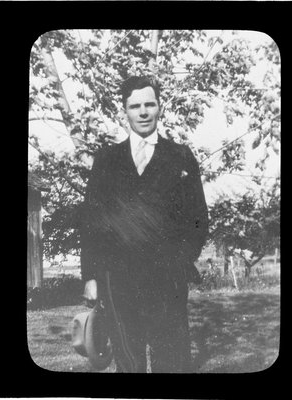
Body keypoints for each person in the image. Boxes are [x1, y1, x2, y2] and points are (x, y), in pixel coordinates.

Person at [80, 76, 208, 373]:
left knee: (172, 359)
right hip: (118, 277)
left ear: (160, 107)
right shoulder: (106, 160)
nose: (143, 112)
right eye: (135, 106)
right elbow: (91, 221)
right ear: (124, 111)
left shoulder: (180, 156)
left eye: (149, 104)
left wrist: (180, 259)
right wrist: (91, 276)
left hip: (167, 277)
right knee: (128, 359)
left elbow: (198, 218)